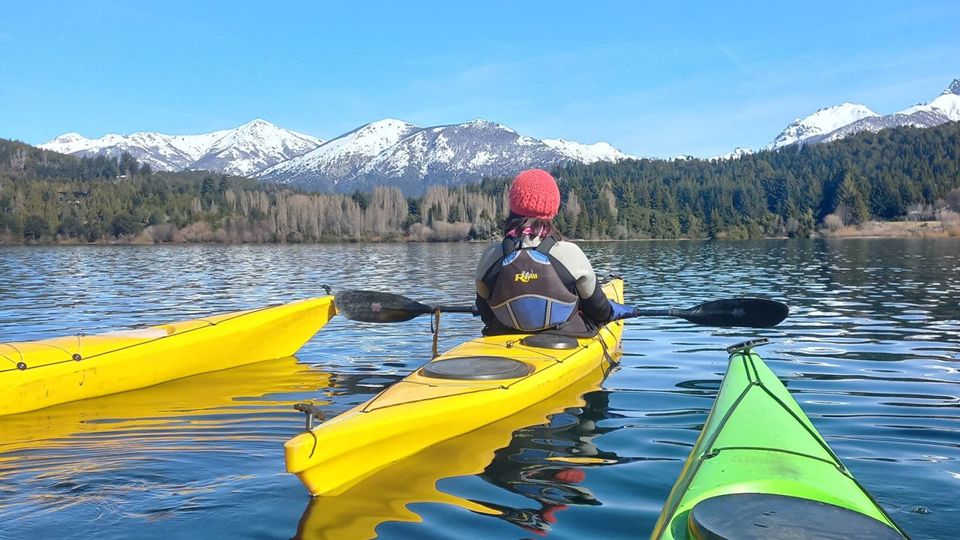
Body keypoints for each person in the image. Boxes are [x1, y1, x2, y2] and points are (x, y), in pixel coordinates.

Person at [475, 168, 631, 336]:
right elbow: (600, 312)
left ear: (513, 206)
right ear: (552, 208)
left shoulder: (490, 256)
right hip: (565, 342)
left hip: (503, 339)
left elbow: (486, 314)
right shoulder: (570, 254)